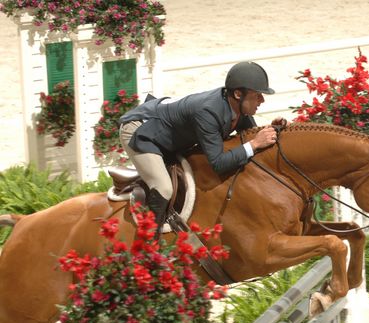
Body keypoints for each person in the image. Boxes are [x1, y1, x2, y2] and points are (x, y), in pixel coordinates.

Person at [119, 61, 285, 236]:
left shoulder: (237, 107)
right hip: (141, 131)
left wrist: (271, 129)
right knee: (164, 187)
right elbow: (219, 163)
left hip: (167, 134)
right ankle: (149, 246)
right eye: (257, 95)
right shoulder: (208, 111)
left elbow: (251, 139)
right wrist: (255, 143)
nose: (262, 100)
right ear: (238, 94)